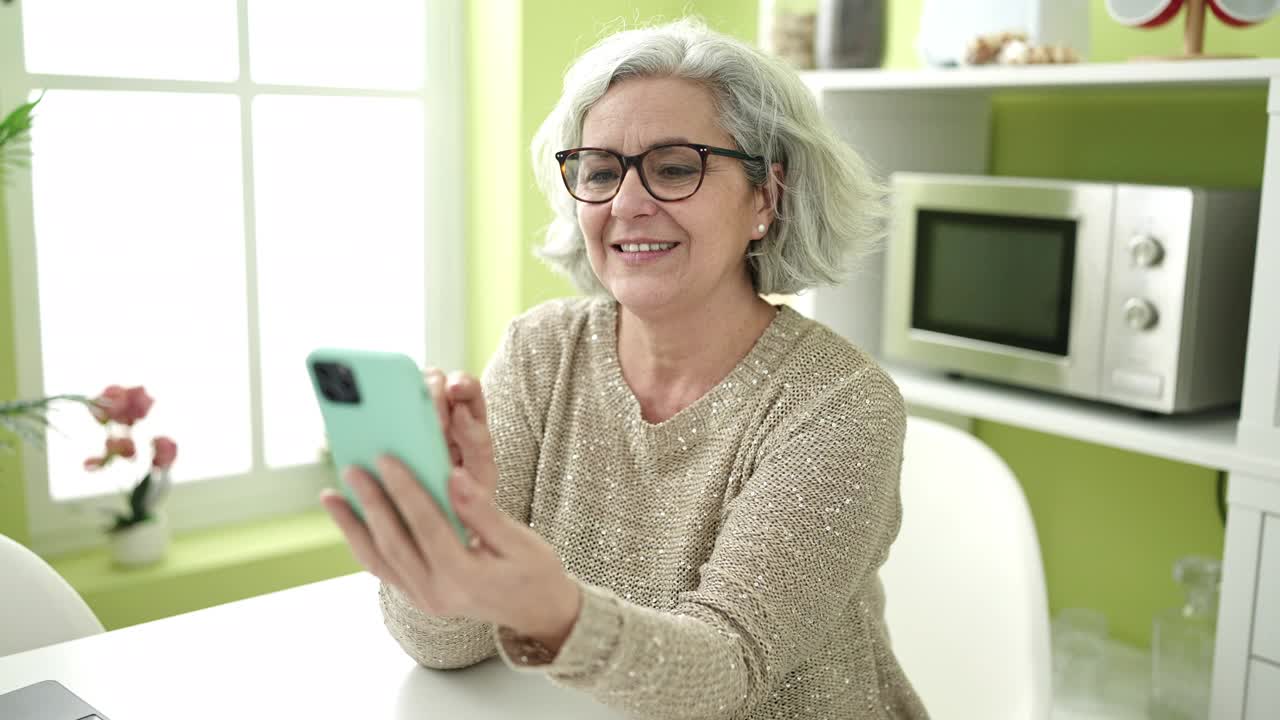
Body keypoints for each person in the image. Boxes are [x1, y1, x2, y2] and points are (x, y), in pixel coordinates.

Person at [320, 18, 928, 720]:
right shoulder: (542, 351)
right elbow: (444, 650)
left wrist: (553, 612)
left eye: (674, 167)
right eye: (601, 172)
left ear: (766, 197)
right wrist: (456, 532)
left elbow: (728, 674)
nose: (627, 204)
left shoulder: (839, 405)